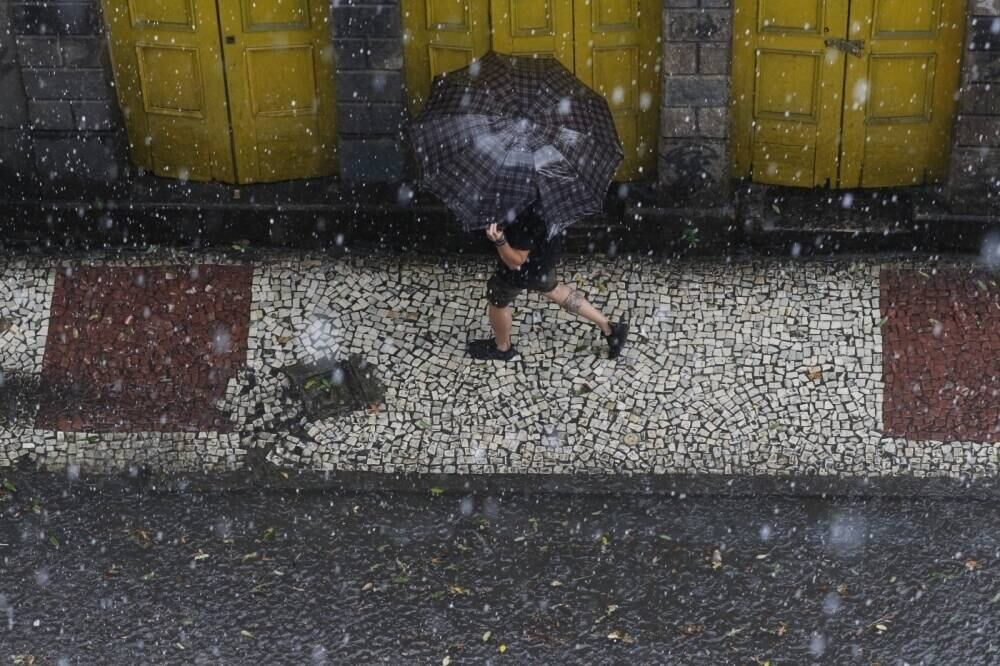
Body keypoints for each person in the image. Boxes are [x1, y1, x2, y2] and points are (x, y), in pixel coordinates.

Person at [466, 208, 628, 361]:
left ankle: (502, 348)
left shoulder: (526, 214)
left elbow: (515, 261)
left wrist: (499, 240)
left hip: (524, 267)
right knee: (554, 289)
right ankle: (610, 328)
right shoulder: (545, 195)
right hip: (543, 258)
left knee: (497, 297)